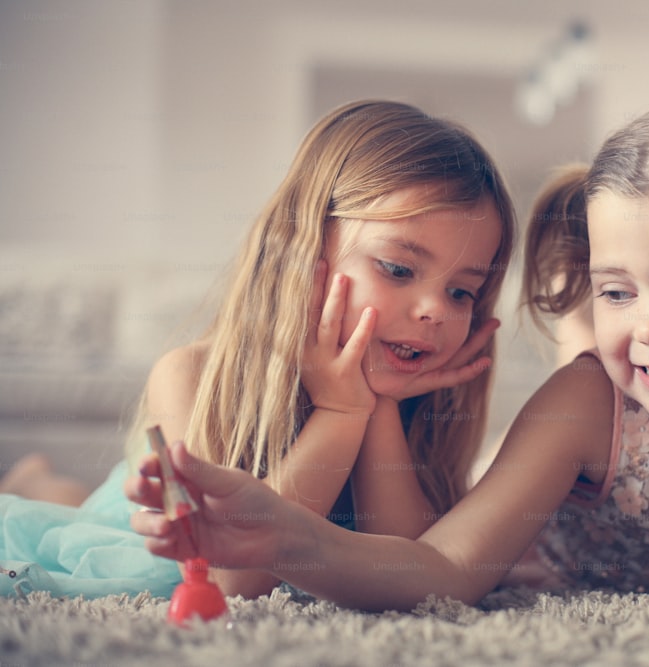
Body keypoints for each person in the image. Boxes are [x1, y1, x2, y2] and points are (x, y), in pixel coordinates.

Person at [129, 93, 649, 620]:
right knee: (587, 372)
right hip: (569, 488)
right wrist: (282, 531)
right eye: (617, 291)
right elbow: (443, 566)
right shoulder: (586, 398)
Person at [1, 99, 516, 600]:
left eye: (461, 291)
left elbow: (411, 572)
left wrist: (378, 403)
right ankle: (35, 477)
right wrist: (342, 410)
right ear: (304, 251)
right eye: (399, 269)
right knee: (73, 515)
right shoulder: (189, 375)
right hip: (128, 527)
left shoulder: (418, 405)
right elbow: (233, 578)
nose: (434, 310)